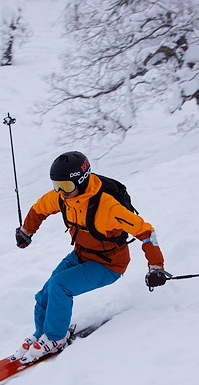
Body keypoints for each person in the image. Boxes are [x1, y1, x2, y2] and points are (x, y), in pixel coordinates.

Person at [12, 151, 170, 363]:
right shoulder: (62, 198)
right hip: (82, 254)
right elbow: (39, 209)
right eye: (56, 185)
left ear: (81, 180)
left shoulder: (108, 207)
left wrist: (156, 266)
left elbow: (146, 232)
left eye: (66, 186)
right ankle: (43, 333)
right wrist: (26, 231)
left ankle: (56, 338)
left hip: (109, 264)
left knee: (60, 286)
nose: (61, 192)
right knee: (46, 292)